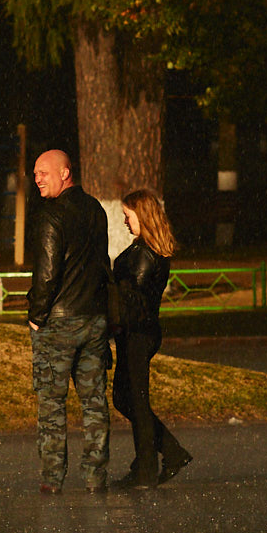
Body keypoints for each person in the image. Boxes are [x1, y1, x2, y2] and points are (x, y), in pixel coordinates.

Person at [26, 149, 112, 495]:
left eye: (43, 172)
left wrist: (36, 317)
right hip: (93, 321)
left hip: (58, 325)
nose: (38, 179)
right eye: (35, 175)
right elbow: (101, 263)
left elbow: (46, 275)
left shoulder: (51, 216)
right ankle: (95, 476)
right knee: (94, 402)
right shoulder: (95, 210)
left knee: (51, 404)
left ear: (66, 172)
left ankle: (52, 478)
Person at [111, 188, 192, 488]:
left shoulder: (145, 254)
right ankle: (167, 452)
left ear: (142, 216)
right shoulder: (145, 248)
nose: (124, 222)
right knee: (126, 398)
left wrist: (113, 293)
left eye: (128, 216)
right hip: (138, 332)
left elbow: (134, 298)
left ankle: (148, 465)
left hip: (137, 333)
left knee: (136, 401)